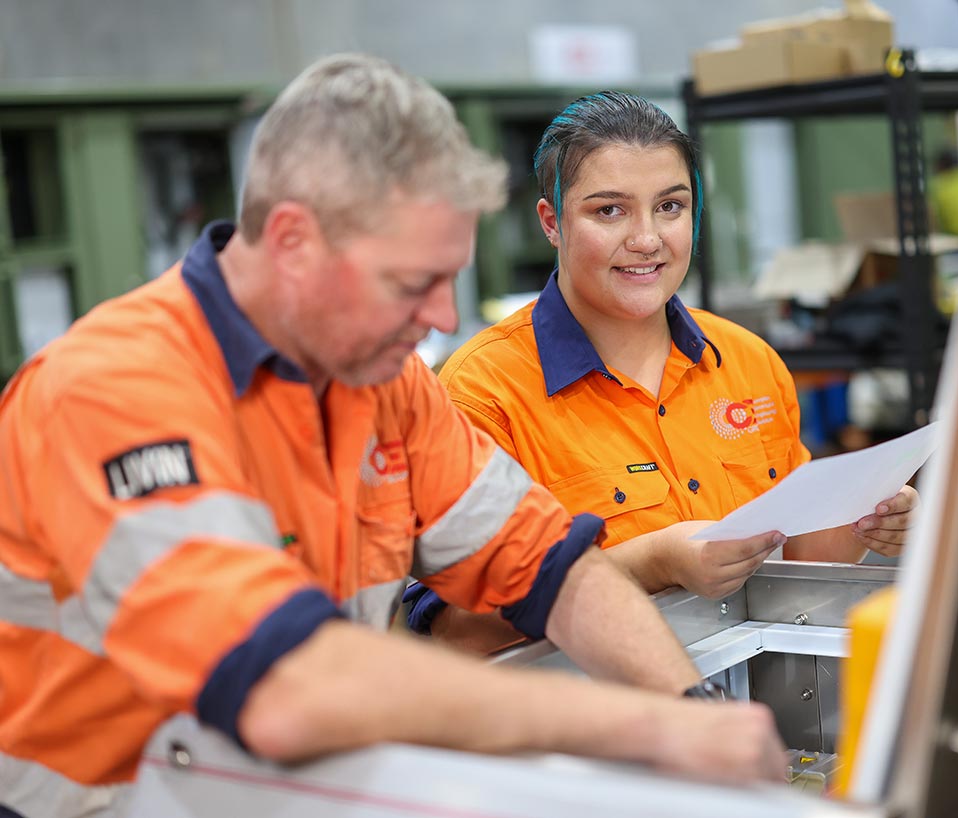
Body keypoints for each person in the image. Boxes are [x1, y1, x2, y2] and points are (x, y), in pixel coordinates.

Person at [0, 57, 787, 818]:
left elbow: (550, 568)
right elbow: (286, 686)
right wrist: (646, 729)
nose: (444, 319)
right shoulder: (114, 393)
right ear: (292, 242)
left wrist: (690, 705)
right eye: (412, 283)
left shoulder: (384, 386)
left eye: (453, 278)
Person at [410, 91, 917, 649]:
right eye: (609, 210)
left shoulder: (748, 362)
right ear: (552, 222)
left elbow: (794, 565)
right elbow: (454, 633)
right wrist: (654, 562)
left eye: (670, 206)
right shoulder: (481, 393)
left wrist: (862, 521)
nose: (647, 239)